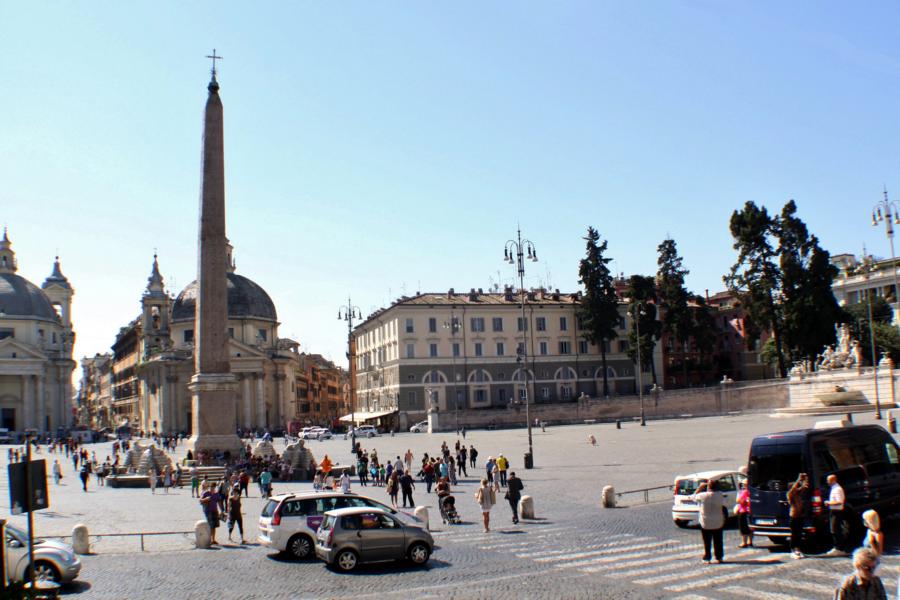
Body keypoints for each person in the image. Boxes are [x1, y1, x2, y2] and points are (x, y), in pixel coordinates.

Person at [691, 480, 727, 564]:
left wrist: (700, 488)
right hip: (718, 521)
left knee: (707, 541)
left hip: (706, 522)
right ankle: (719, 557)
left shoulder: (702, 495)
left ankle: (707, 557)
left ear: (708, 487)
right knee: (718, 540)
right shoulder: (720, 495)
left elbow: (693, 497)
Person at [826, 474, 850, 556]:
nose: (827, 482)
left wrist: (829, 503)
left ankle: (840, 548)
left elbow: (840, 501)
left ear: (833, 480)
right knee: (834, 529)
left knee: (836, 530)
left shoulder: (838, 489)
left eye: (828, 480)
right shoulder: (833, 488)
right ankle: (837, 547)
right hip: (833, 510)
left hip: (837, 511)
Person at [787, 473, 809, 558]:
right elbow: (793, 489)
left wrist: (805, 479)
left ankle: (798, 549)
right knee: (794, 534)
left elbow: (804, 487)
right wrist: (798, 479)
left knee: (799, 534)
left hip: (800, 516)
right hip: (794, 516)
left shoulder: (798, 493)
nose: (797, 487)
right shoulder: (790, 494)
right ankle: (793, 550)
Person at [735, 480, 752, 548]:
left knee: (744, 527)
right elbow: (738, 500)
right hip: (745, 511)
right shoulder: (744, 492)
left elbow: (741, 501)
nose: (744, 485)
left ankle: (745, 542)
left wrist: (742, 501)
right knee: (748, 527)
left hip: (744, 511)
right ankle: (749, 541)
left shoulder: (745, 492)